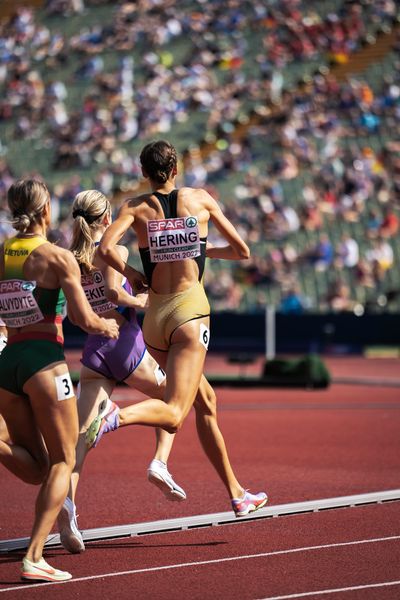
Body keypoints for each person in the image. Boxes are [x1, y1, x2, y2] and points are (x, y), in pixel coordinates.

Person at [89, 139, 267, 518]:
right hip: (189, 313)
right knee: (174, 413)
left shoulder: (135, 207)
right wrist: (202, 251)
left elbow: (104, 248)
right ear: (175, 170)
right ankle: (114, 416)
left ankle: (237, 493)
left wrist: (133, 273)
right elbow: (242, 251)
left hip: (156, 318)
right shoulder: (200, 199)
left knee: (206, 401)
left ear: (143, 173)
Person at [0, 179, 118, 582]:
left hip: (8, 362)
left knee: (37, 469)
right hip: (45, 364)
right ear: (46, 209)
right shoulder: (56, 258)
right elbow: (85, 319)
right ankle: (34, 556)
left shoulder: (2, 252)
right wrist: (108, 326)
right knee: (65, 461)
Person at [58, 189, 186, 554]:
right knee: (174, 400)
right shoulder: (116, 252)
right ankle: (160, 462)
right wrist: (143, 301)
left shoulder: (69, 258)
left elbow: (71, 312)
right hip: (125, 344)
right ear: (106, 220)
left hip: (94, 351)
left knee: (81, 437)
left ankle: (68, 508)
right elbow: (114, 293)